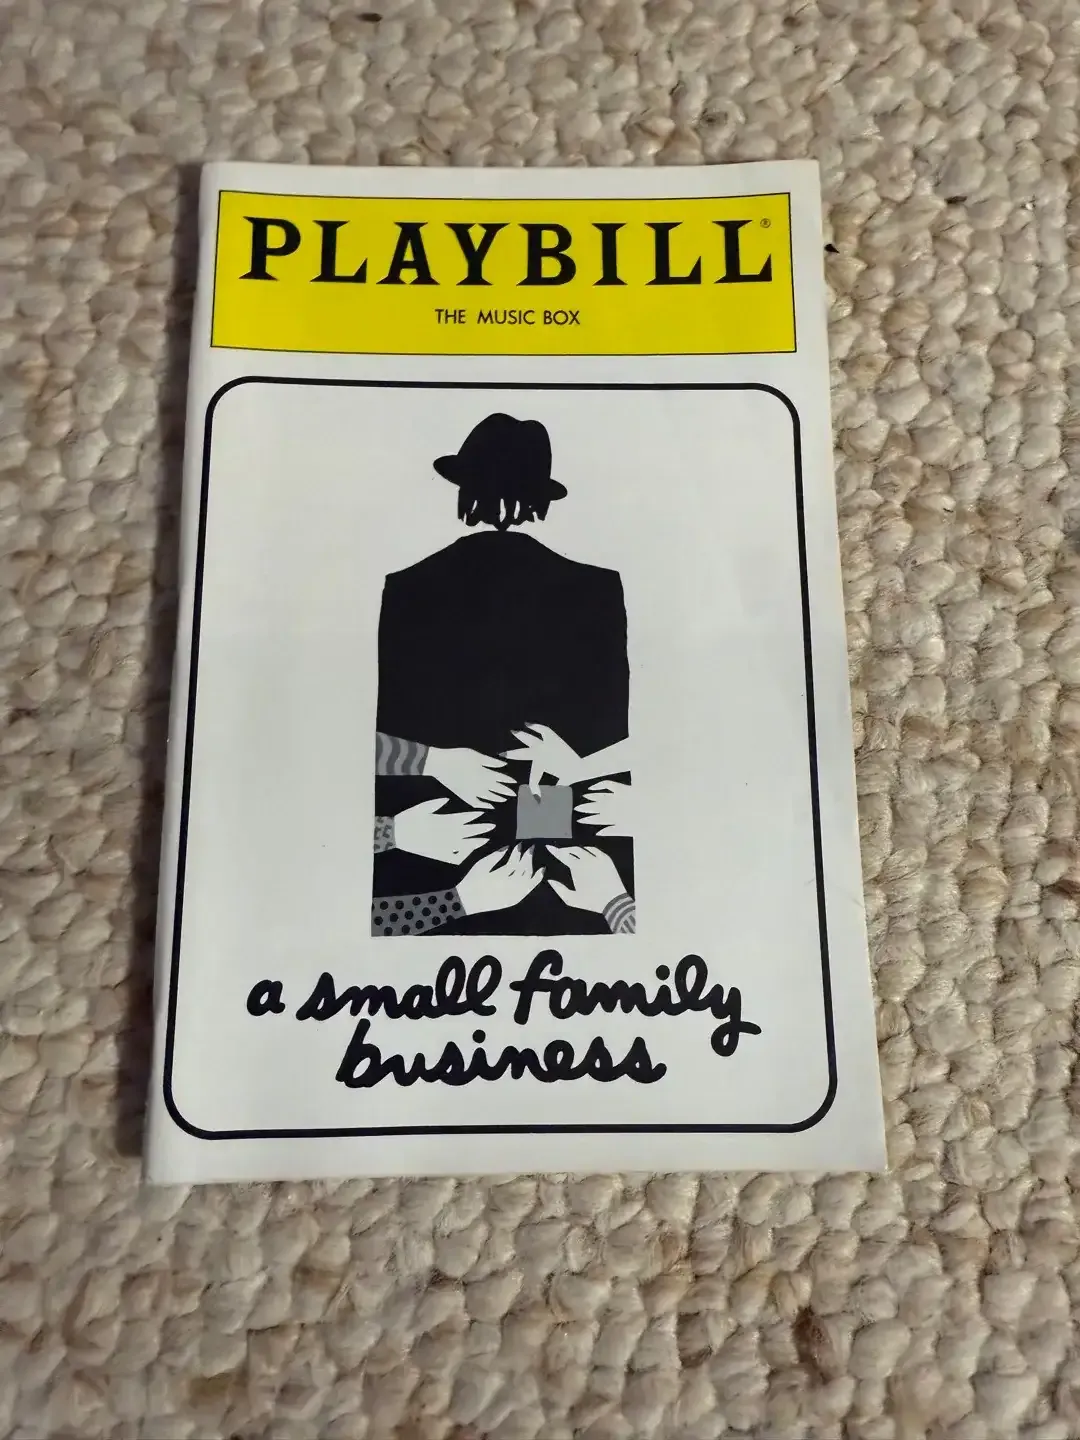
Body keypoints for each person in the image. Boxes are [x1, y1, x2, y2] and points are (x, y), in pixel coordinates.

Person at [372, 414, 633, 936]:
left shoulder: (406, 587)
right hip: (570, 843)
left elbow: (389, 712)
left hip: (432, 833)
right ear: (541, 499)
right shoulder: (598, 589)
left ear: (463, 489)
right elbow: (604, 718)